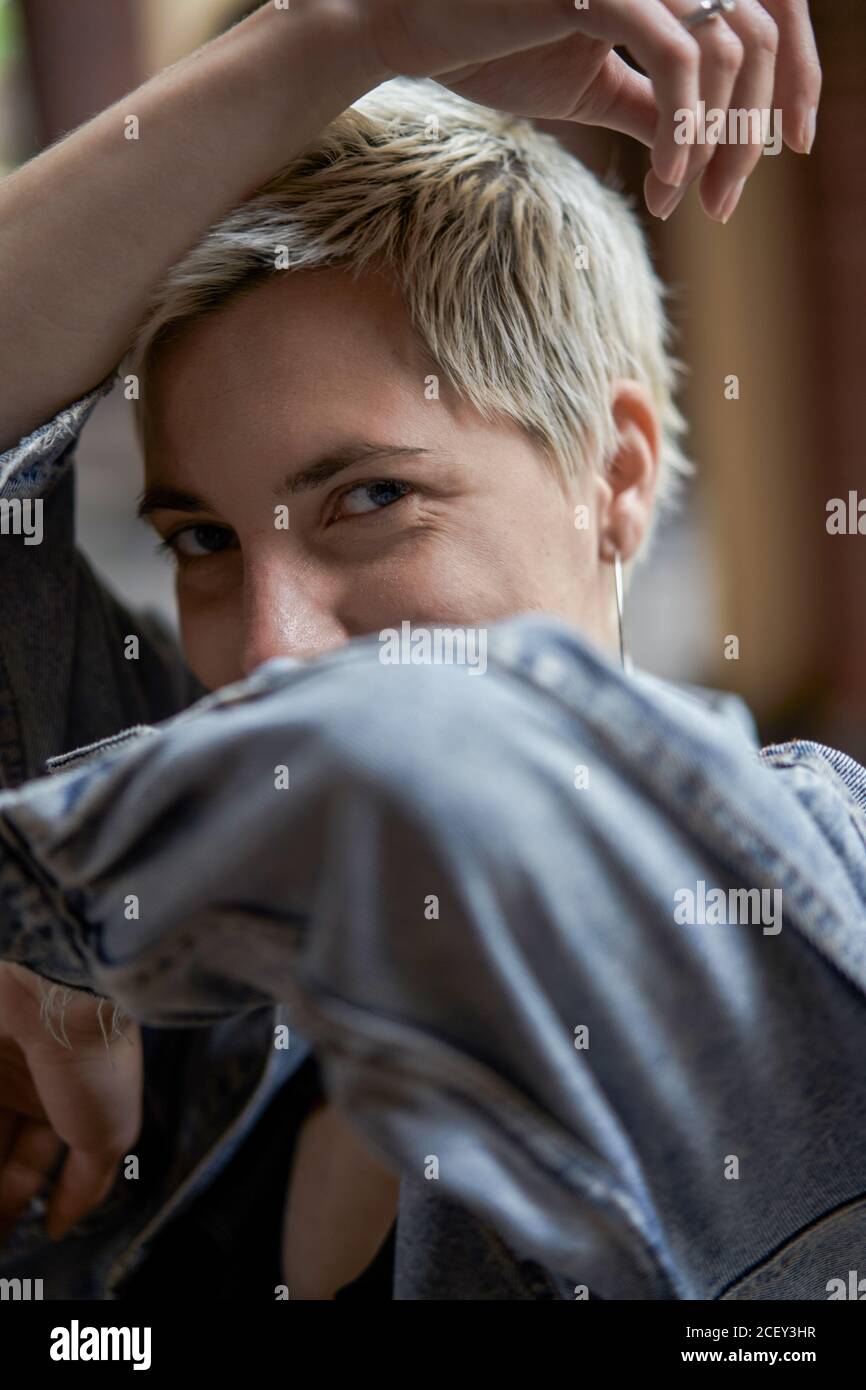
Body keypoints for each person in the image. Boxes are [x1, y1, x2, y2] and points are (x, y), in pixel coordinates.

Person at [2, 0, 857, 1304]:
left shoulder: (803, 871)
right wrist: (328, 43)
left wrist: (62, 937)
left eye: (370, 499)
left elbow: (438, 757)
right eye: (206, 541)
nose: (273, 650)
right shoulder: (212, 1002)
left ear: (611, 476)